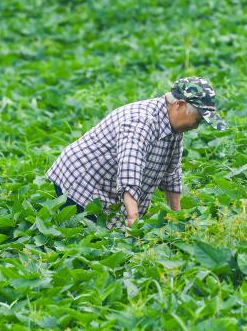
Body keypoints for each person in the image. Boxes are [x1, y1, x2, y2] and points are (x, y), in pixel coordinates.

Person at [47, 77, 227, 227]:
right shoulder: (141, 121)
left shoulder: (175, 130)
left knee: (116, 235)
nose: (196, 126)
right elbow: (129, 171)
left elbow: (172, 174)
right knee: (95, 236)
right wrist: (133, 219)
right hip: (80, 183)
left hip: (107, 186)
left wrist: (177, 218)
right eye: (197, 119)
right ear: (179, 105)